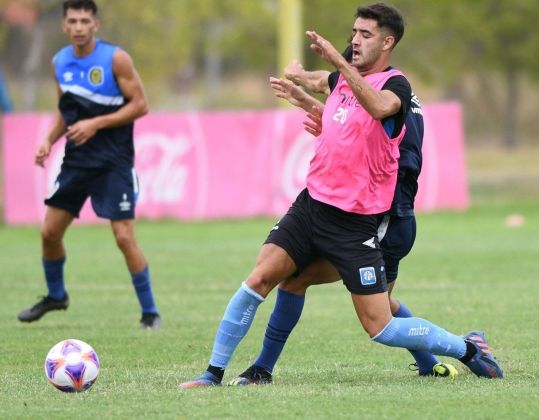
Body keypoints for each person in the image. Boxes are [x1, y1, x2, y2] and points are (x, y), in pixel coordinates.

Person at [179, 3, 502, 388]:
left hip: (358, 222)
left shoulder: (395, 86)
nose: (355, 40)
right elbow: (330, 91)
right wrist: (301, 85)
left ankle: (466, 349)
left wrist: (337, 60)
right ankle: (216, 373)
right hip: (311, 206)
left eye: (365, 35)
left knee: (379, 324)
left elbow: (377, 107)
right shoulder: (345, 82)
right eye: (353, 33)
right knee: (263, 278)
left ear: (388, 41)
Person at [229, 65, 456, 386]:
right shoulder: (392, 90)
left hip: (383, 218)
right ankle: (262, 369)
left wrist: (307, 100)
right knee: (300, 280)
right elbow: (358, 131)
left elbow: (368, 143)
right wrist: (307, 99)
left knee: (379, 317)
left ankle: (466, 349)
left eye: (361, 38)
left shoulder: (387, 94)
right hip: (375, 214)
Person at [16, 0, 161, 330]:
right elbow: (64, 110)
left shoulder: (115, 59)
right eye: (73, 21)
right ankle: (56, 296)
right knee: (49, 232)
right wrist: (48, 141)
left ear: (95, 24)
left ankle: (150, 312)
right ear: (64, 26)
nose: (79, 26)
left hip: (114, 162)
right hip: (77, 161)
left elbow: (141, 105)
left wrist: (96, 124)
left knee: (124, 237)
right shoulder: (60, 62)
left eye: (85, 20)